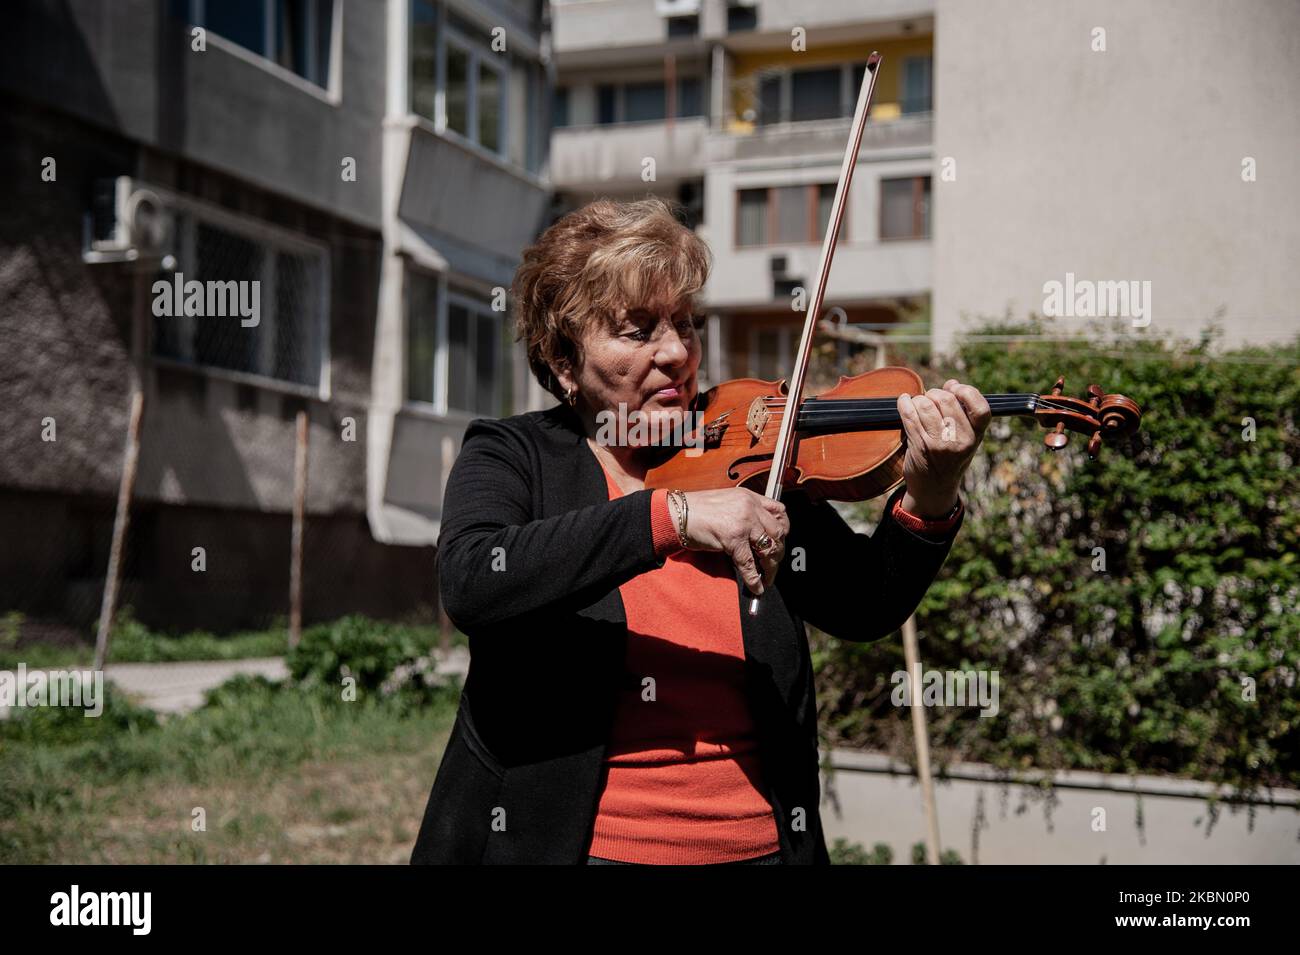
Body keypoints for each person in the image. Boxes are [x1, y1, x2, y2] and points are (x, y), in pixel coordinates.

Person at [410, 196, 990, 865]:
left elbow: (864, 602)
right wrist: (673, 517)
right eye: (638, 331)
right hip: (574, 850)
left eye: (685, 324)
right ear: (565, 361)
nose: (677, 352)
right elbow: (475, 578)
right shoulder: (516, 455)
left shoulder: (745, 451)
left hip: (759, 850)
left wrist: (934, 490)